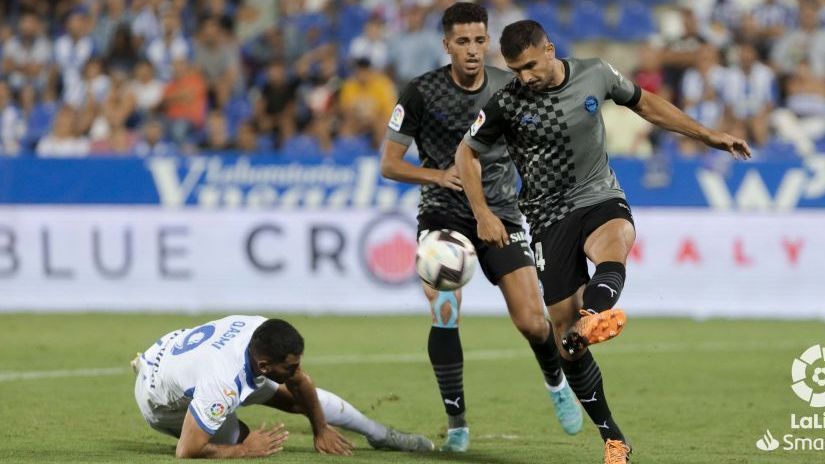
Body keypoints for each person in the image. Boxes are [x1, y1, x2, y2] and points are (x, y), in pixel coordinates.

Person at [456, 20, 751, 463]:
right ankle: (613, 435)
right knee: (565, 342)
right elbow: (467, 152)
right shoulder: (507, 103)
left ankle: (593, 314)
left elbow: (646, 103)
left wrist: (707, 135)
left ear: (550, 50)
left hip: (598, 194)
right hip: (546, 217)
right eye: (517, 69)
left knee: (614, 245)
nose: (526, 77)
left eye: (532, 65)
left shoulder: (596, 73)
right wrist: (481, 212)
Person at [380, 3, 582, 453]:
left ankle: (556, 384)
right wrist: (437, 175)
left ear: (487, 41)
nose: (472, 50)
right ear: (446, 45)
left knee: (532, 322)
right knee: (445, 310)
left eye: (479, 40)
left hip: (501, 213)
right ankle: (456, 422)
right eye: (462, 41)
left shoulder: (510, 86)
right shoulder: (420, 92)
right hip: (442, 216)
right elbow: (389, 164)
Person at [132, 315, 434, 459]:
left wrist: (320, 428)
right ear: (264, 366)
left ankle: (381, 434)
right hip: (160, 400)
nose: (296, 371)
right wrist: (243, 450)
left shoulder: (261, 333)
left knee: (298, 398)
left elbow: (301, 383)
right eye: (289, 367)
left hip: (182, 359)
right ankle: (240, 436)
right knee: (239, 436)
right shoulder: (222, 383)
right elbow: (187, 451)